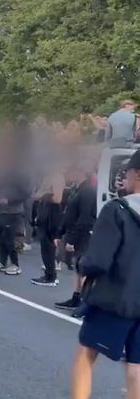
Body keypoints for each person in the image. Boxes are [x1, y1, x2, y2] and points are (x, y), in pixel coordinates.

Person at [70, 149, 140, 399]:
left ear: (136, 174)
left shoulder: (118, 209)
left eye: (127, 173)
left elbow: (98, 259)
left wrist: (81, 265)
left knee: (86, 354)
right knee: (136, 368)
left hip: (115, 297)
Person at [55, 161, 97, 313]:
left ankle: (84, 301)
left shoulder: (87, 191)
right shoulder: (77, 189)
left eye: (70, 170)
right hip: (76, 231)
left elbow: (85, 217)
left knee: (83, 267)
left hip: (84, 233)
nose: (68, 173)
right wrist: (60, 232)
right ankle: (76, 296)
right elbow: (69, 213)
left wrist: (72, 239)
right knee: (79, 267)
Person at [0, 151, 32, 276]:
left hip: (14, 211)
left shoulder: (20, 176)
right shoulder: (3, 175)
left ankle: (15, 264)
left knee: (9, 239)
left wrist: (9, 200)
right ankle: (2, 262)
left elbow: (26, 193)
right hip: (2, 210)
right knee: (2, 237)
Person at [30, 160, 66, 287]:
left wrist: (44, 195)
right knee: (45, 245)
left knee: (48, 245)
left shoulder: (57, 177)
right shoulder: (47, 176)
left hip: (52, 214)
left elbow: (57, 198)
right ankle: (48, 273)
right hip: (44, 212)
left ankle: (51, 276)